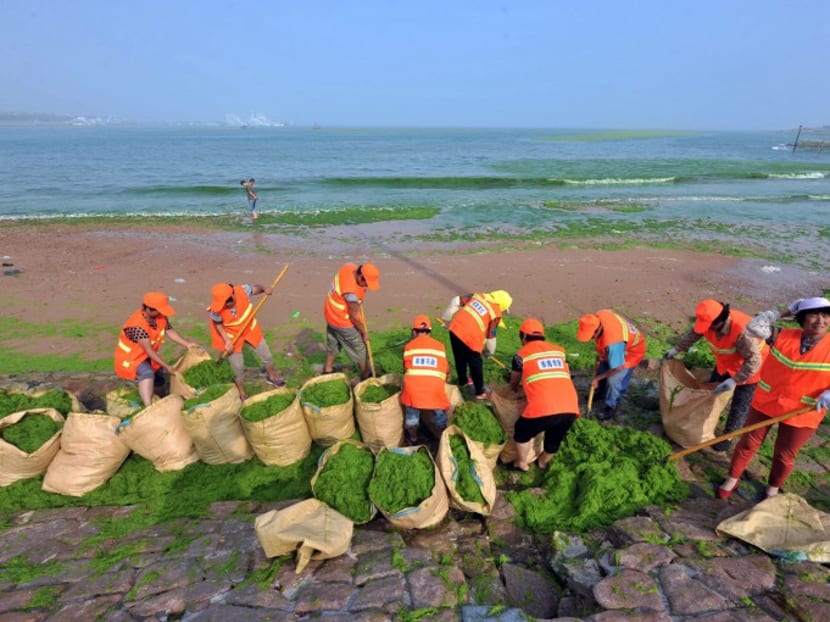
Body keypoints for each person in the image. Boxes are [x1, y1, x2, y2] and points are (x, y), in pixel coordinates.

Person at [716, 297, 830, 500]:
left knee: (784, 455)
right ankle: (732, 479)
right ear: (802, 318)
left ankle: (772, 489)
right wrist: (784, 312)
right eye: (814, 314)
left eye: (825, 315)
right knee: (748, 443)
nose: (820, 320)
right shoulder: (781, 335)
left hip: (803, 411)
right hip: (767, 402)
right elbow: (753, 327)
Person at [663, 299, 768, 451]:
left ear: (722, 319)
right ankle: (703, 421)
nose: (708, 330)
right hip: (725, 364)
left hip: (751, 369)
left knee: (740, 404)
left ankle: (729, 436)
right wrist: (677, 349)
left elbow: (753, 361)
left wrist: (734, 380)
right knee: (711, 392)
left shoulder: (743, 331)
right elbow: (695, 333)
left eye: (711, 326)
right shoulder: (708, 322)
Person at [509, 318, 580, 471]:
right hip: (570, 407)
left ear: (524, 337)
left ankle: (521, 463)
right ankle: (542, 463)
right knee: (555, 437)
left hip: (543, 407)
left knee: (521, 431)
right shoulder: (559, 351)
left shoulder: (520, 355)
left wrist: (513, 387)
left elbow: (514, 379)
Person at [114, 292, 197, 407]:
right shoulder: (137, 326)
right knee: (147, 373)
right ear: (148, 309)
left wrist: (187, 344)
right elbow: (148, 350)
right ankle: (149, 406)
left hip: (146, 355)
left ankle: (157, 395)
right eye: (158, 311)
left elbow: (169, 331)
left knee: (160, 378)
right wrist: (166, 366)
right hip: (131, 358)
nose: (161, 313)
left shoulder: (160, 316)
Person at [208, 282, 284, 401]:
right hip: (232, 337)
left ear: (233, 294)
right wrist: (227, 341)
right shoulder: (215, 311)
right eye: (223, 303)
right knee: (238, 367)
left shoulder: (243, 290)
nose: (226, 305)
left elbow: (258, 288)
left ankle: (272, 377)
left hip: (250, 330)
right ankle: (241, 392)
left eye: (228, 302)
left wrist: (265, 289)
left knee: (267, 356)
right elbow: (218, 325)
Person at [441, 290, 512, 400]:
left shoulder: (478, 296)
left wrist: (446, 319)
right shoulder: (495, 313)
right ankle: (479, 392)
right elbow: (491, 337)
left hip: (455, 329)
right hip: (471, 339)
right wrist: (489, 352)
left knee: (459, 357)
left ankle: (463, 381)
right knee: (476, 365)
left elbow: (456, 301)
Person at [576, 309, 646, 420]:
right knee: (602, 370)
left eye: (591, 336)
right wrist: (599, 376)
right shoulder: (601, 315)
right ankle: (599, 393)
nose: (591, 339)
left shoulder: (613, 343)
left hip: (631, 352)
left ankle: (611, 406)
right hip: (616, 346)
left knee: (614, 380)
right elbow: (609, 311)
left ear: (597, 330)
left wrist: (597, 378)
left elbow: (618, 367)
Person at [322, 262, 381, 379]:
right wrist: (363, 332)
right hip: (342, 321)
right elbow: (354, 316)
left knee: (333, 341)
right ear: (360, 276)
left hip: (330, 313)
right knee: (359, 346)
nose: (366, 286)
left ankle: (328, 369)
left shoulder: (348, 267)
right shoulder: (351, 294)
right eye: (366, 283)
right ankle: (365, 374)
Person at [400, 314, 451, 445]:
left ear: (413, 331)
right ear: (430, 331)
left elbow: (405, 370)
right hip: (435, 393)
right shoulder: (440, 346)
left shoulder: (408, 347)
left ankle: (413, 438)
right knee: (439, 413)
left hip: (414, 394)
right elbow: (446, 370)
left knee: (411, 415)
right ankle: (442, 438)